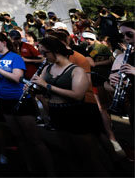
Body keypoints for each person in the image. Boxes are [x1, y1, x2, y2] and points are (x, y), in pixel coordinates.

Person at [32, 36, 114, 176]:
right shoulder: (47, 67)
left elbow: (77, 94)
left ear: (55, 51)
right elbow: (42, 89)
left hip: (75, 113)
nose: (42, 56)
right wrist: (35, 88)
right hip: (57, 113)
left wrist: (47, 85)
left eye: (45, 53)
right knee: (70, 153)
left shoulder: (76, 70)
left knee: (89, 156)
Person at [0, 32, 53, 175]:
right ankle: (30, 167)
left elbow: (16, 77)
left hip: (20, 99)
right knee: (19, 137)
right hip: (4, 99)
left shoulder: (15, 57)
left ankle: (51, 170)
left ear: (4, 42)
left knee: (34, 138)